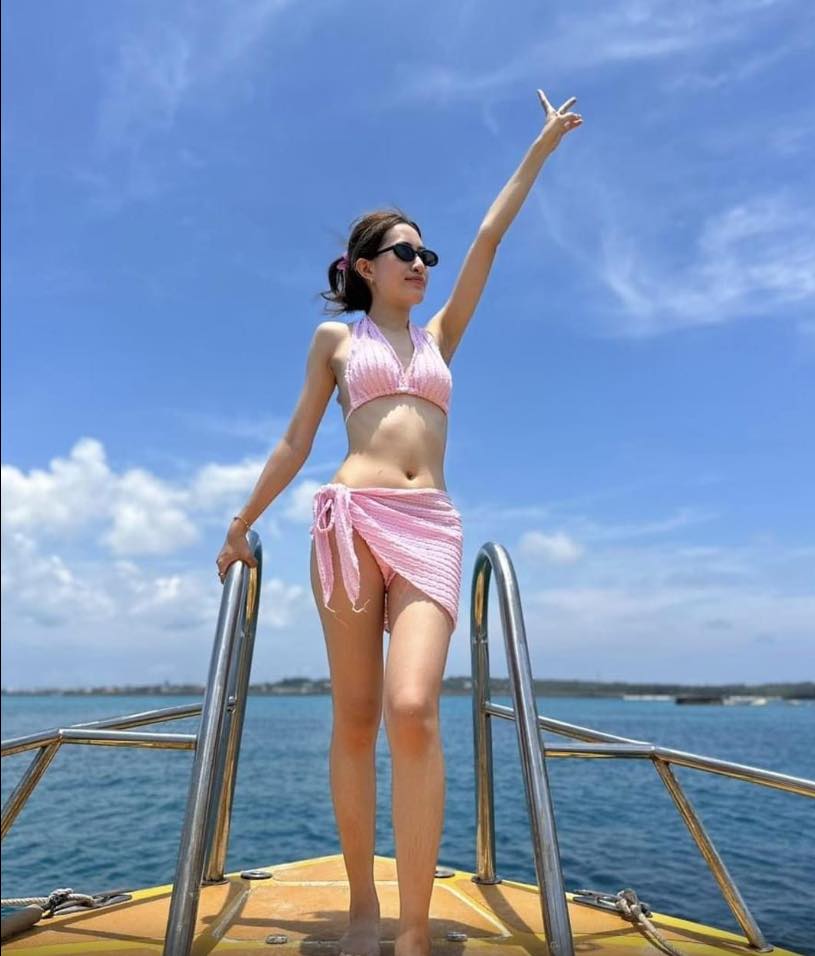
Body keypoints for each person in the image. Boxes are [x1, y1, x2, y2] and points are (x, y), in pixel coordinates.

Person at [215, 90, 582, 956]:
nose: (421, 263)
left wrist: (541, 147)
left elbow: (489, 238)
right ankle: (364, 910)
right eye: (404, 253)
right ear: (365, 268)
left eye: (425, 253)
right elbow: (296, 440)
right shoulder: (337, 342)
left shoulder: (441, 337)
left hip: (431, 527)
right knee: (356, 717)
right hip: (350, 524)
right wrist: (240, 523)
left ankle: (414, 929)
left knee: (413, 708)